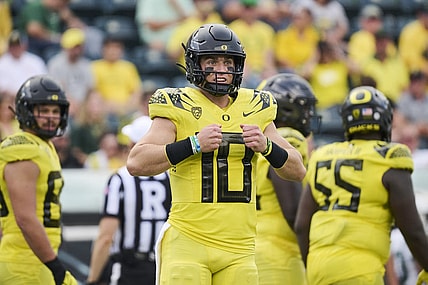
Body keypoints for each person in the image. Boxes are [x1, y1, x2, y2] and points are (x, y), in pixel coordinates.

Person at [126, 23, 306, 285]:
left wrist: (267, 146)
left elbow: (297, 170)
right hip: (189, 240)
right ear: (195, 64)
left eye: (227, 62)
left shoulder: (257, 105)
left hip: (240, 249)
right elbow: (136, 162)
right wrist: (193, 144)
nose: (221, 70)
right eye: (212, 62)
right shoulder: (178, 103)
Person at [294, 85, 428, 285]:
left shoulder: (322, 156)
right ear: (385, 119)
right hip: (360, 269)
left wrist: (313, 265)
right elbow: (413, 230)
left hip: (319, 267)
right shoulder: (391, 157)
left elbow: (301, 226)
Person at [0, 75, 77, 284]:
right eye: (43, 110)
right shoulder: (22, 148)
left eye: (55, 111)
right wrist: (55, 265)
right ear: (26, 111)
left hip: (38, 260)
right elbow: (24, 218)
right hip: (24, 264)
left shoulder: (44, 145)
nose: (51, 117)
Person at [86, 116, 171, 285]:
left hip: (129, 269)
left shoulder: (120, 179)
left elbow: (105, 237)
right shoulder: (170, 178)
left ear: (134, 145)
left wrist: (92, 279)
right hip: (164, 266)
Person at [255, 73, 319, 285]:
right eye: (304, 107)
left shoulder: (259, 139)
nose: (309, 114)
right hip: (280, 256)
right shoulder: (288, 137)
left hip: (254, 249)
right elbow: (293, 212)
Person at [0, 30, 47, 95]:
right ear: (8, 47)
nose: (16, 48)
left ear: (24, 45)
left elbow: (43, 81)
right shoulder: (2, 63)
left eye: (18, 45)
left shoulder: (35, 61)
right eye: (13, 46)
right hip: (10, 98)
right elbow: (3, 88)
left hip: (33, 97)